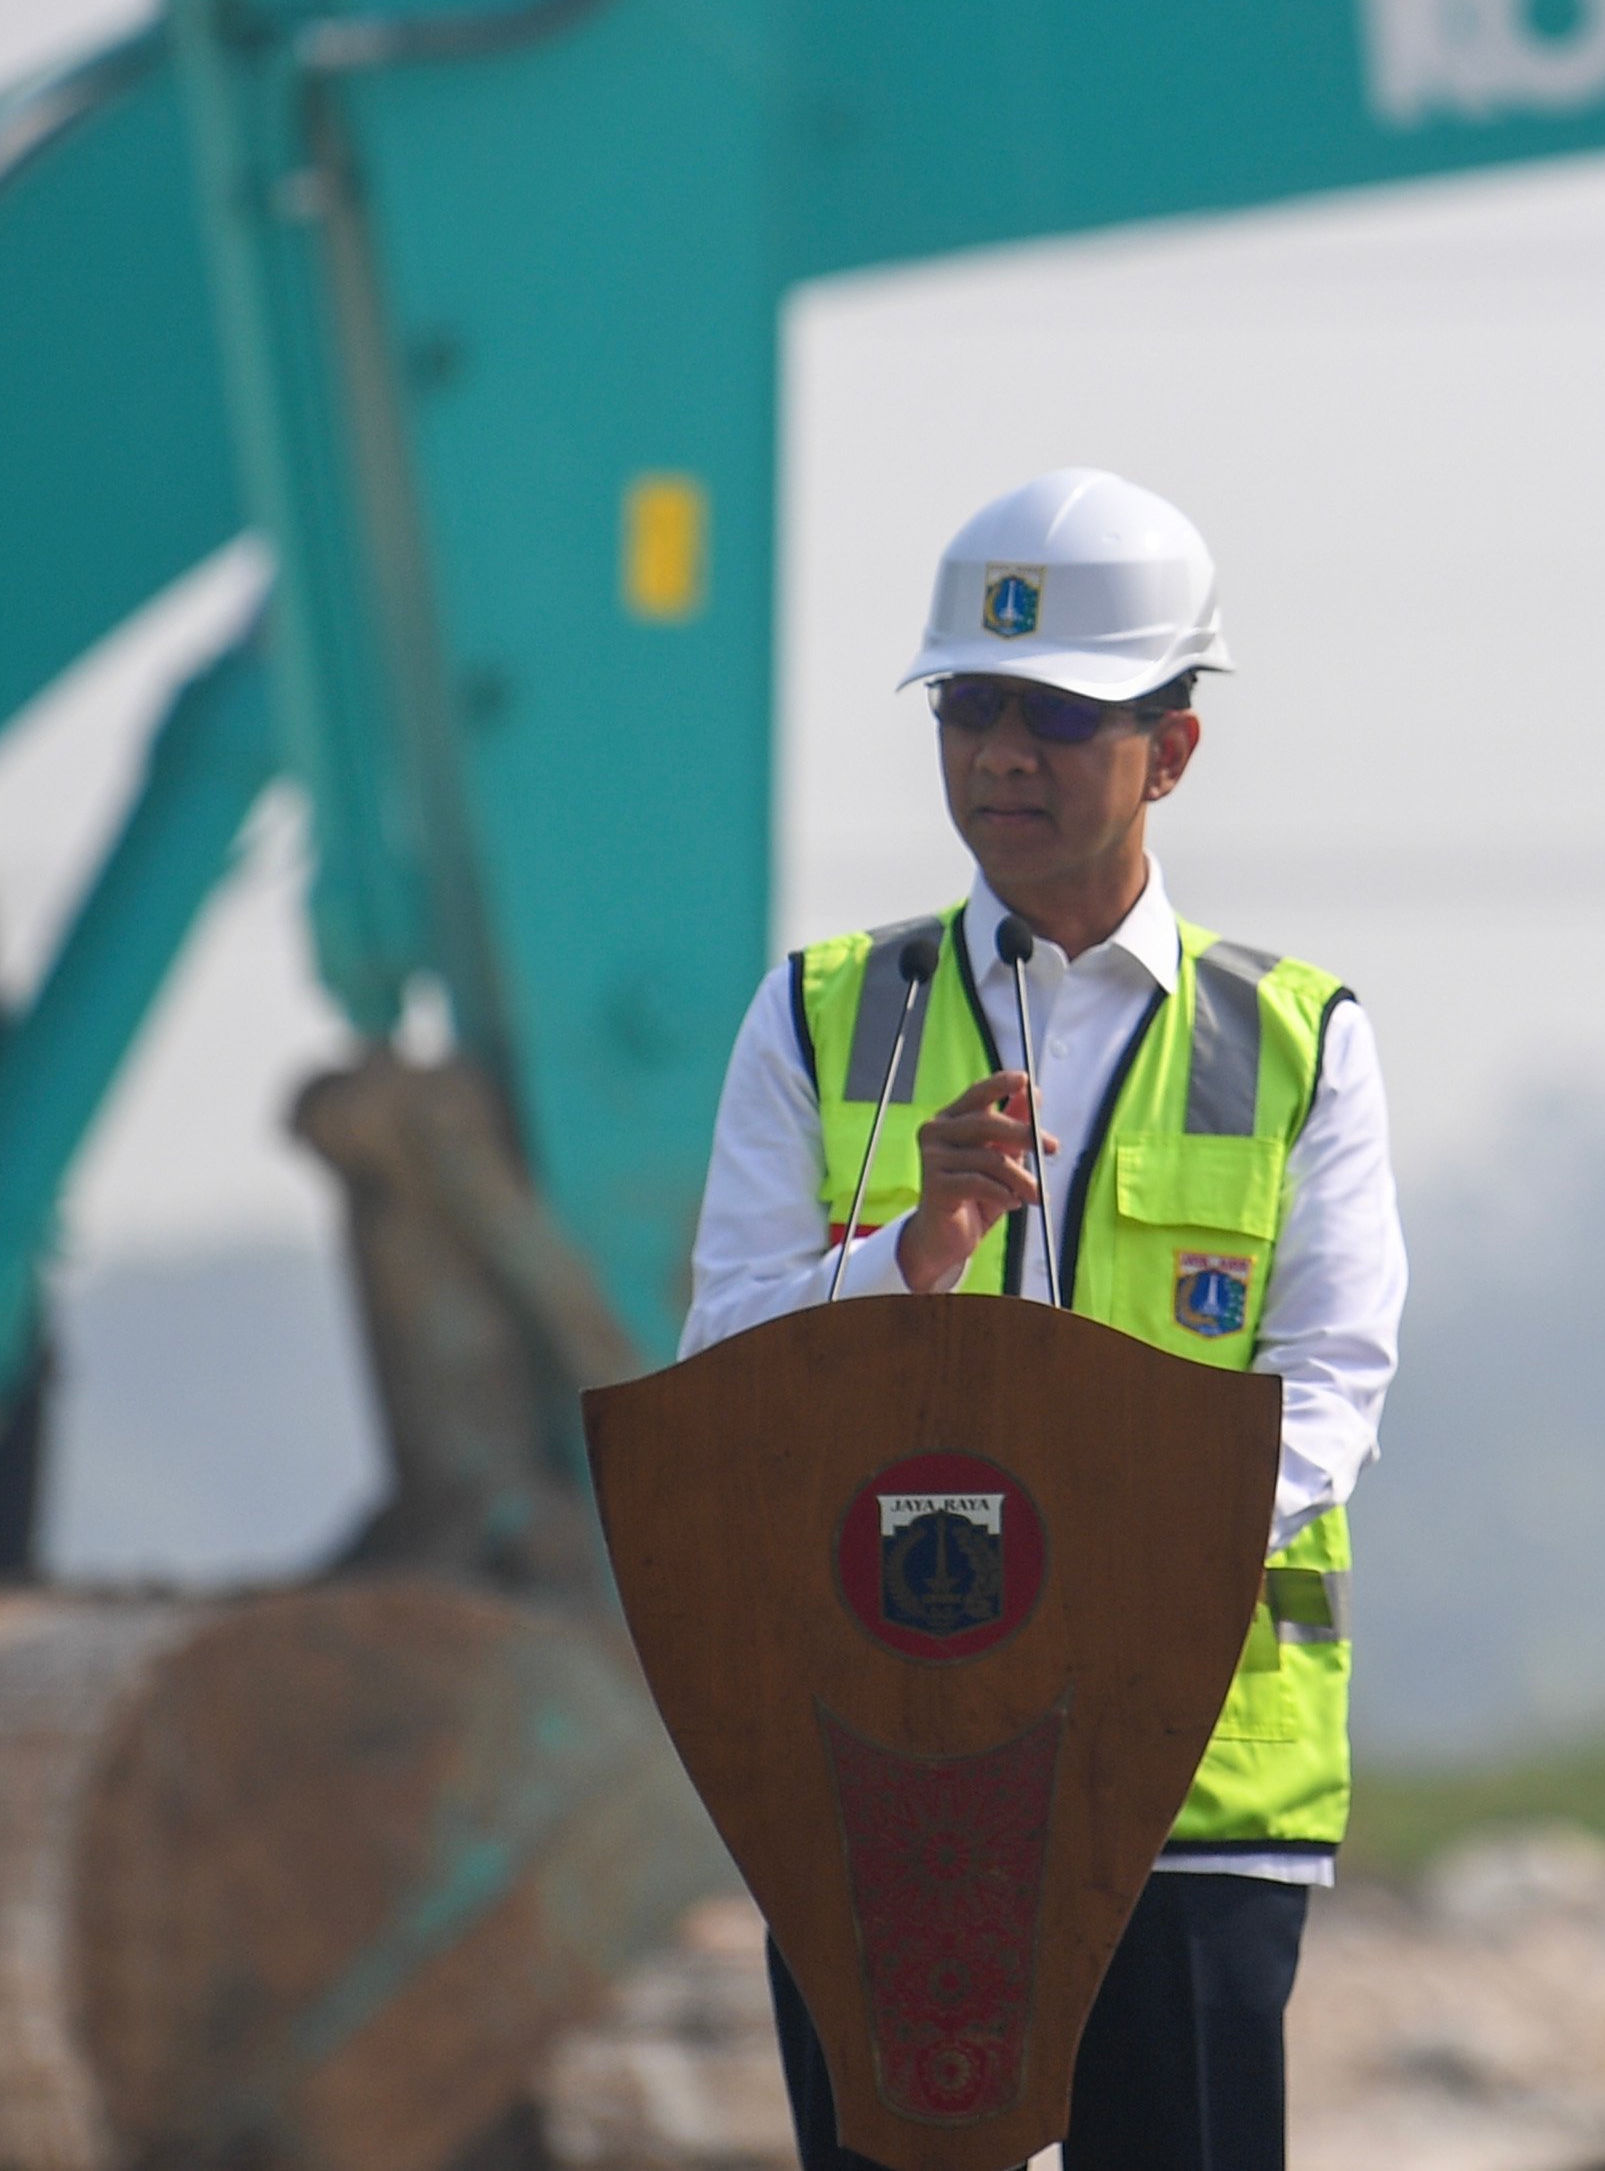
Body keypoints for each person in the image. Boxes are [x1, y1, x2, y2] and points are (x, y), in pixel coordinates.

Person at [681, 467, 1404, 2171]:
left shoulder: (1304, 1042)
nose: (1001, 753)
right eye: (970, 707)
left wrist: (1094, 1569)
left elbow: (1329, 1394)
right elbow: (728, 1375)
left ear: (1173, 746)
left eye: (1058, 716)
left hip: (1199, 1792)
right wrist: (913, 1251)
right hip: (885, 1770)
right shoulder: (818, 1016)